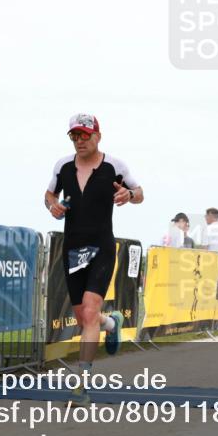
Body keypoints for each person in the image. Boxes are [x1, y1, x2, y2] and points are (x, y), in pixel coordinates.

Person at [45, 113, 142, 406]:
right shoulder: (62, 165)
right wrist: (53, 206)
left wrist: (129, 194)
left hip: (101, 245)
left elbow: (139, 193)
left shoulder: (115, 166)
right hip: (73, 247)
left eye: (85, 135)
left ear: (98, 136)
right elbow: (49, 195)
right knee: (83, 317)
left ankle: (81, 386)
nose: (80, 141)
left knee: (88, 312)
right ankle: (111, 324)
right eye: (75, 136)